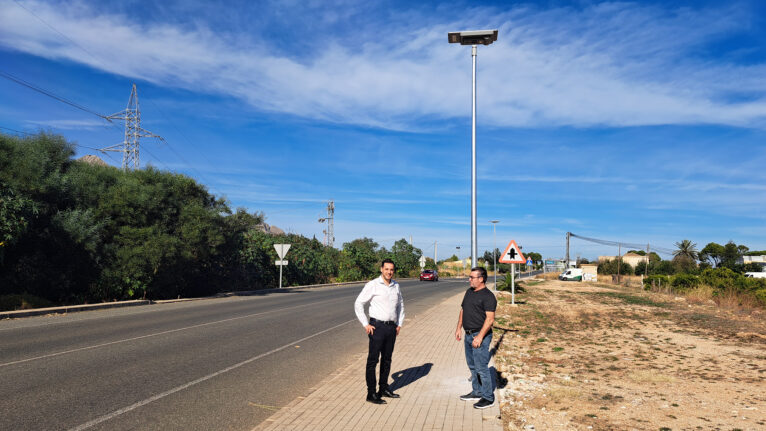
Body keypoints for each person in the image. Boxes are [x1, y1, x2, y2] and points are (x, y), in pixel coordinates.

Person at [354, 258, 405, 404]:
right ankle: (371, 393)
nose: (389, 272)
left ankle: (383, 388)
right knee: (373, 360)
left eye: (391, 269)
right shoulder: (373, 285)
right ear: (381, 269)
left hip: (391, 327)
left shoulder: (396, 286)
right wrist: (365, 324)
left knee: (387, 359)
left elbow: (401, 305)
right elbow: (358, 303)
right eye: (387, 269)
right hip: (377, 327)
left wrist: (399, 324)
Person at [454, 266, 497, 409]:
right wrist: (458, 328)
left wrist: (479, 337)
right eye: (470, 277)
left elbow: (490, 320)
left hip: (480, 336)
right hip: (468, 334)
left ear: (481, 279)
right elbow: (463, 310)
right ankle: (477, 391)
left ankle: (488, 397)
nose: (469, 280)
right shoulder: (469, 292)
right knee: (472, 366)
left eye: (472, 277)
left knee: (481, 367)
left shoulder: (488, 296)